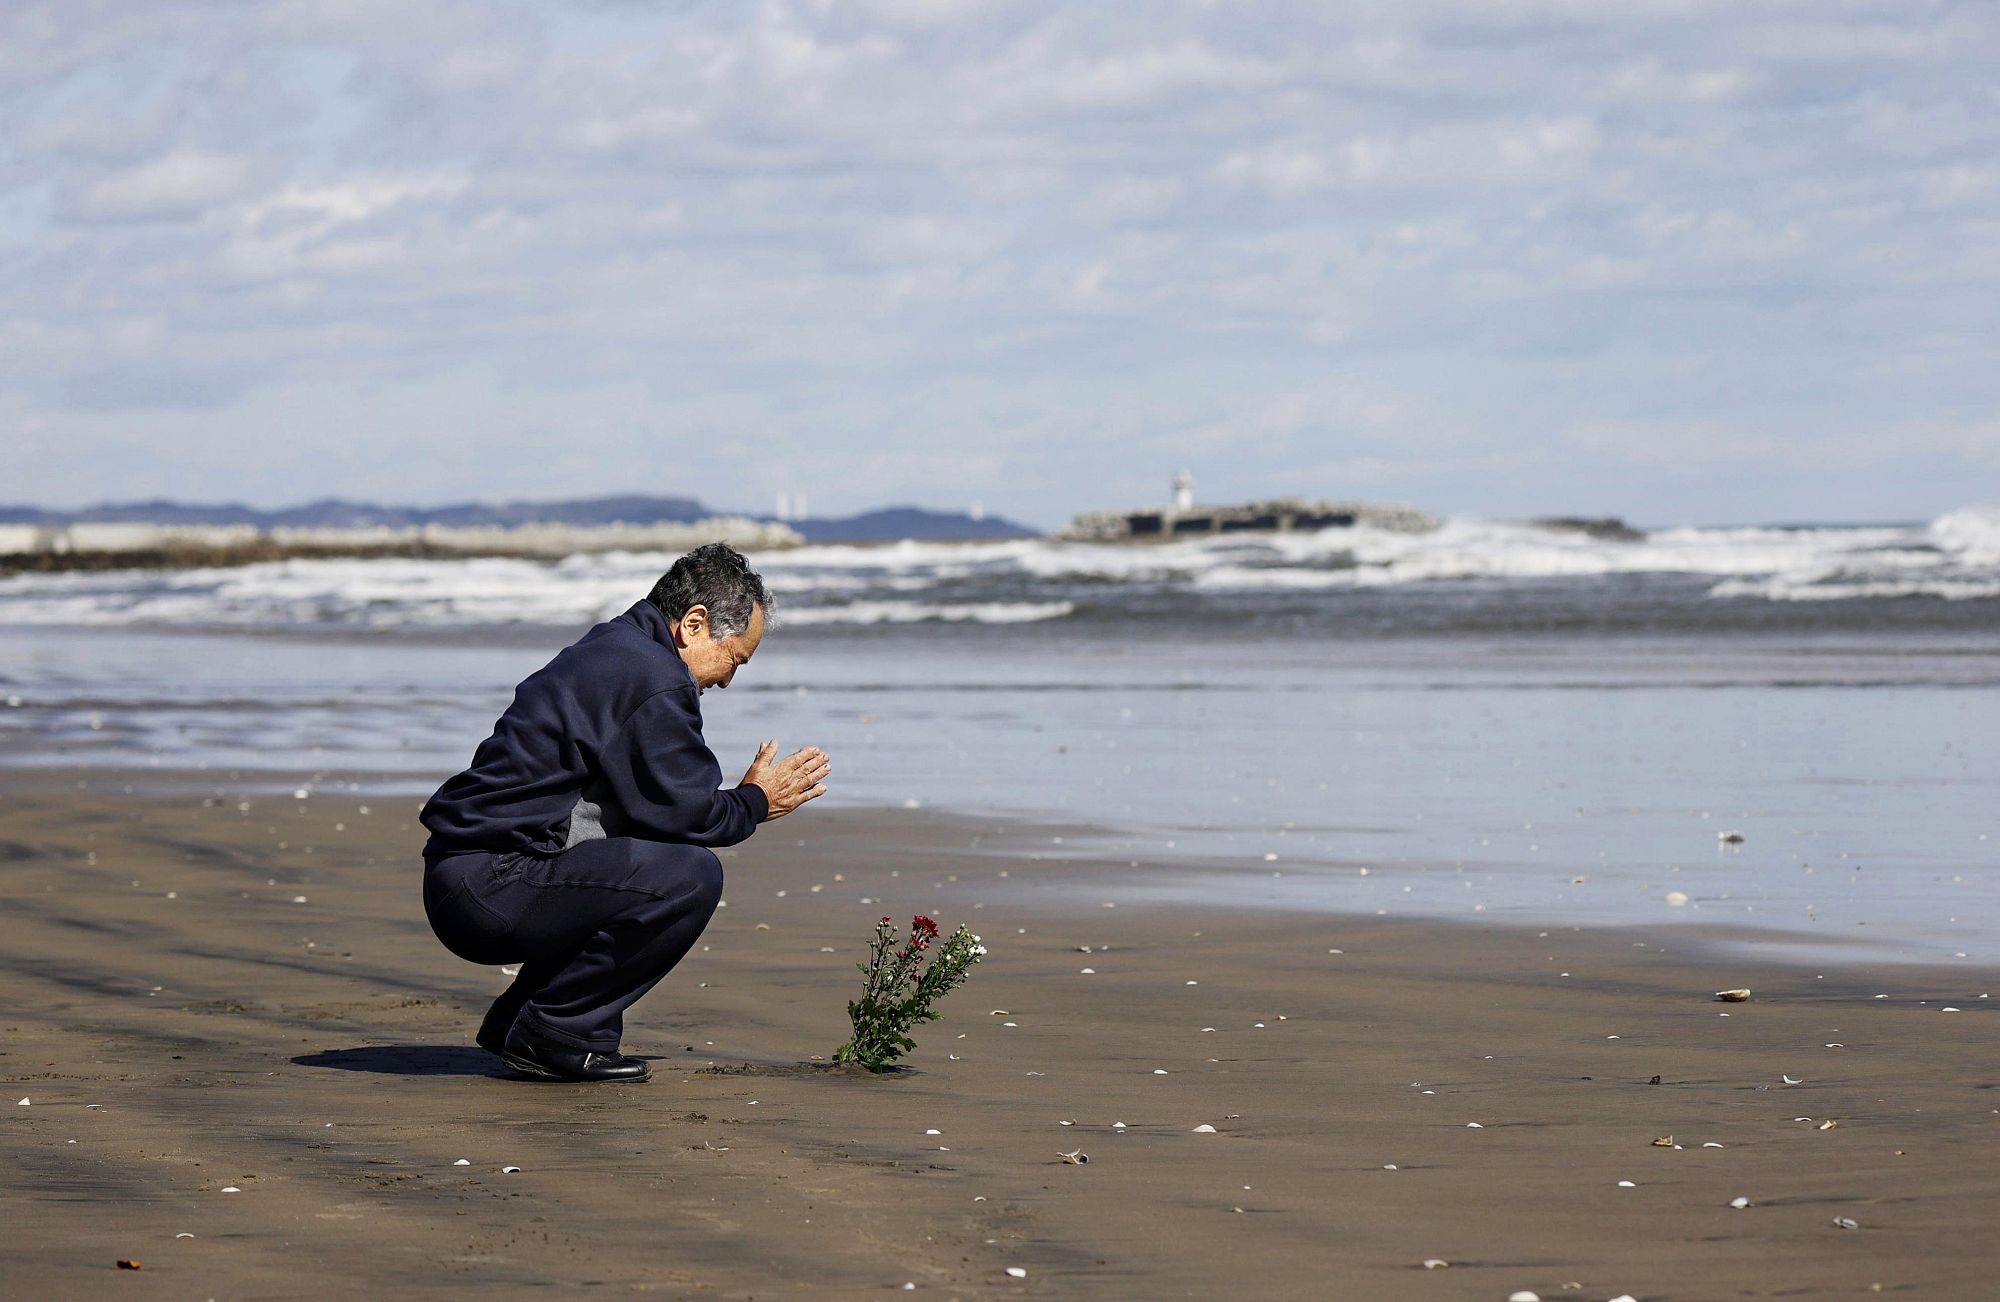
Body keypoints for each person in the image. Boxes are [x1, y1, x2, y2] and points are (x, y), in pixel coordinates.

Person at [419, 542, 829, 1082]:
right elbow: (693, 815)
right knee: (689, 875)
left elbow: (655, 811)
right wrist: (756, 800)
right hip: (489, 885)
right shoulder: (650, 674)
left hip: (467, 876)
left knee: (650, 858)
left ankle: (522, 1021)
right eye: (735, 658)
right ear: (694, 623)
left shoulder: (619, 647)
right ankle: (557, 1032)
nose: (728, 680)